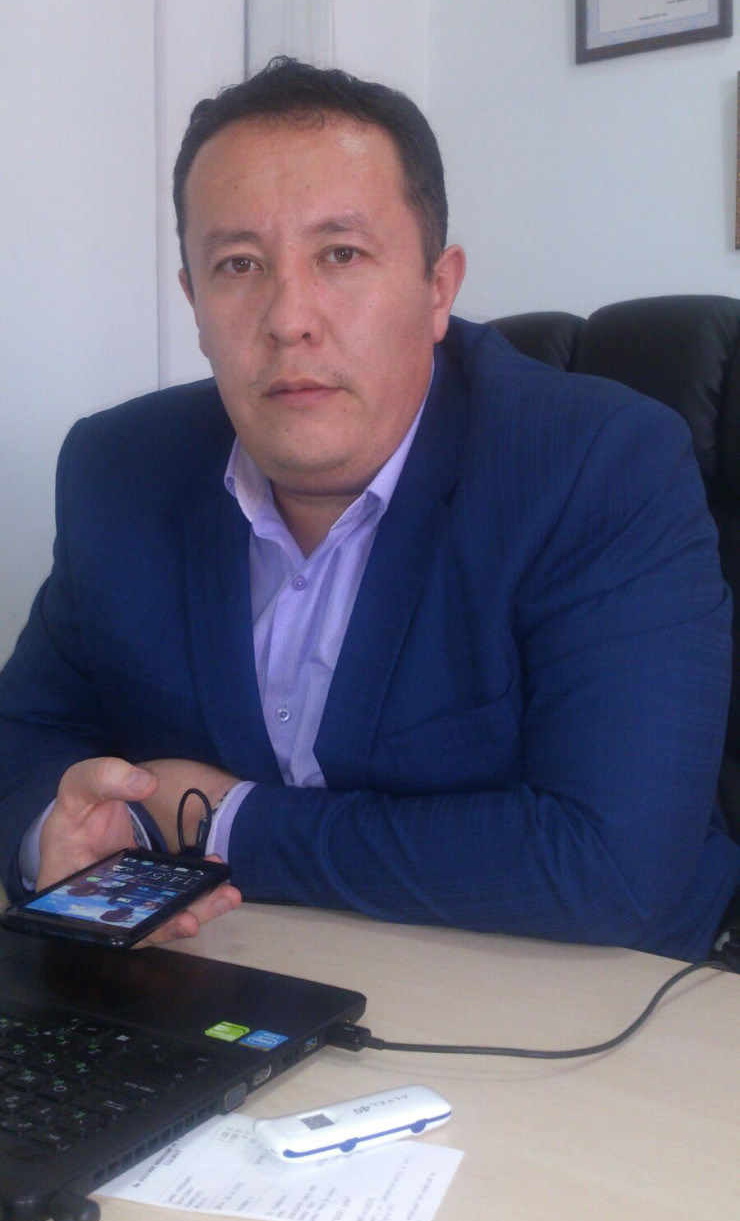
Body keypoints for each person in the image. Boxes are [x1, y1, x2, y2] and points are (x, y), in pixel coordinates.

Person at [0, 57, 738, 961]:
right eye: (239, 264)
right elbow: (23, 733)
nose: (290, 318)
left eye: (340, 255)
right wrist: (52, 831)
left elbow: (613, 869)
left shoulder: (596, 465)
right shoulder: (120, 470)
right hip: (227, 975)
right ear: (194, 300)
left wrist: (222, 820)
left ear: (438, 288)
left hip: (574, 992)